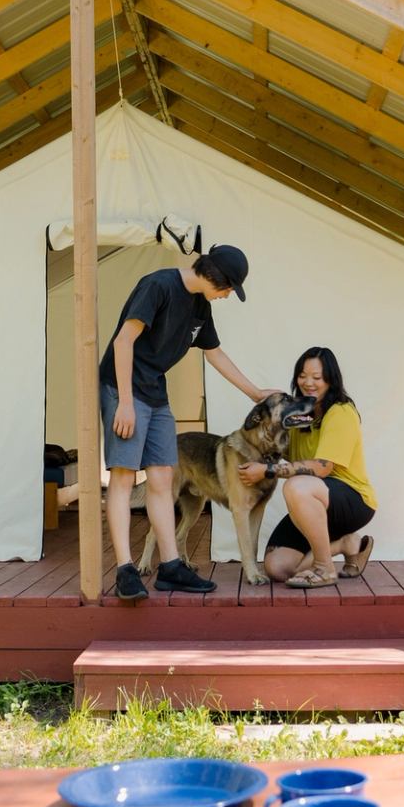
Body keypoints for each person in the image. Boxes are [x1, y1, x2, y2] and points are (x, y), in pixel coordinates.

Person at [102, 245, 271, 600]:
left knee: (163, 476)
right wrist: (126, 403)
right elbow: (123, 341)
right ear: (216, 277)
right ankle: (125, 570)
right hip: (124, 388)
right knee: (123, 475)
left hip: (154, 390)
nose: (226, 296)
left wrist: (254, 392)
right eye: (227, 289)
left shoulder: (200, 305)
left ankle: (171, 567)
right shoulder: (158, 286)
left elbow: (215, 353)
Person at [237, 347, 376, 589]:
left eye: (317, 377)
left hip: (352, 500)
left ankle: (324, 568)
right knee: (277, 568)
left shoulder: (340, 412)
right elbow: (276, 450)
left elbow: (321, 468)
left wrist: (266, 471)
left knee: (297, 485)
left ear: (331, 380)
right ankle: (346, 545)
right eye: (302, 375)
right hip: (314, 502)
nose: (308, 383)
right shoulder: (300, 414)